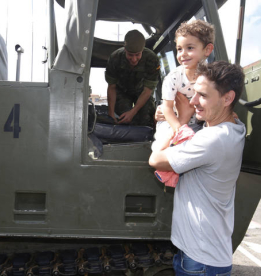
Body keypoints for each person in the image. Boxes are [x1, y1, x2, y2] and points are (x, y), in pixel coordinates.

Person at [149, 61, 246, 276]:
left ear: (228, 98)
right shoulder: (234, 127)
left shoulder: (213, 139)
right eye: (193, 93)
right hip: (203, 253)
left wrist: (181, 119)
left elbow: (155, 159)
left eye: (202, 95)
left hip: (200, 260)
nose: (193, 102)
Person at [153, 20, 215, 187]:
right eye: (179, 49)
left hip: (196, 123)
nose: (183, 54)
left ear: (207, 50)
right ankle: (167, 175)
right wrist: (179, 130)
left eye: (190, 48)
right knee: (162, 147)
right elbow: (166, 108)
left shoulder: (212, 77)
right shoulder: (174, 77)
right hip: (171, 122)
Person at [105, 30, 160, 127]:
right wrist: (111, 113)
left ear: (142, 51)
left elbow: (148, 90)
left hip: (142, 92)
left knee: (146, 118)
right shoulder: (115, 58)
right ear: (125, 49)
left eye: (138, 55)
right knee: (122, 119)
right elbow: (112, 87)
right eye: (130, 55)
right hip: (122, 91)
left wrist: (133, 111)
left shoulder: (152, 59)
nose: (134, 59)